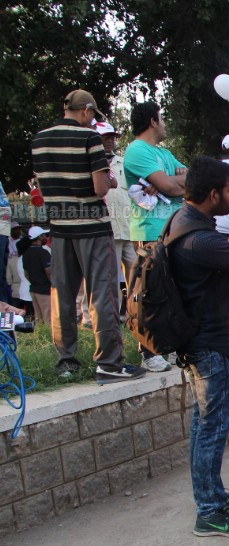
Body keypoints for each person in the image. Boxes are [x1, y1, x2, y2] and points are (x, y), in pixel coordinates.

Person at [166, 156, 229, 537]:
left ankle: (212, 494)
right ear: (211, 194)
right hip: (208, 346)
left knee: (202, 425)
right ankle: (209, 510)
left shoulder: (182, 222)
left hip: (197, 343)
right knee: (212, 428)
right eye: (228, 190)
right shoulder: (200, 241)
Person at [31, 89, 146, 384]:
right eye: (93, 116)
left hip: (59, 227)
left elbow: (44, 188)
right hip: (92, 226)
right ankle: (108, 362)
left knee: (63, 296)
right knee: (102, 295)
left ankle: (66, 361)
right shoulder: (89, 138)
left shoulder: (40, 140)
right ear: (86, 111)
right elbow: (99, 187)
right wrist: (109, 178)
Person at [123, 100, 185, 373]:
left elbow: (190, 178)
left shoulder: (165, 154)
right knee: (148, 290)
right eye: (162, 117)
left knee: (171, 289)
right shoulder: (137, 150)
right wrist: (172, 183)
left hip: (172, 228)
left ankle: (164, 343)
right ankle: (147, 351)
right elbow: (171, 186)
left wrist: (172, 183)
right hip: (149, 230)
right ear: (152, 121)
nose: (165, 123)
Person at [94, 121, 134, 317]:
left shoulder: (123, 162)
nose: (109, 141)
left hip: (128, 227)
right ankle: (113, 315)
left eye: (111, 138)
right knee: (110, 276)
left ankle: (134, 310)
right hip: (106, 228)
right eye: (104, 138)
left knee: (134, 271)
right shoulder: (92, 164)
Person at [22, 226, 52, 324]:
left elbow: (26, 273)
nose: (46, 238)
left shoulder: (26, 253)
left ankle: (39, 337)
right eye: (45, 235)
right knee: (48, 318)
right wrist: (54, 285)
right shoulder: (43, 252)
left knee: (38, 319)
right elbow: (48, 271)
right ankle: (49, 338)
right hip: (45, 290)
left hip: (33, 289)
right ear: (39, 237)